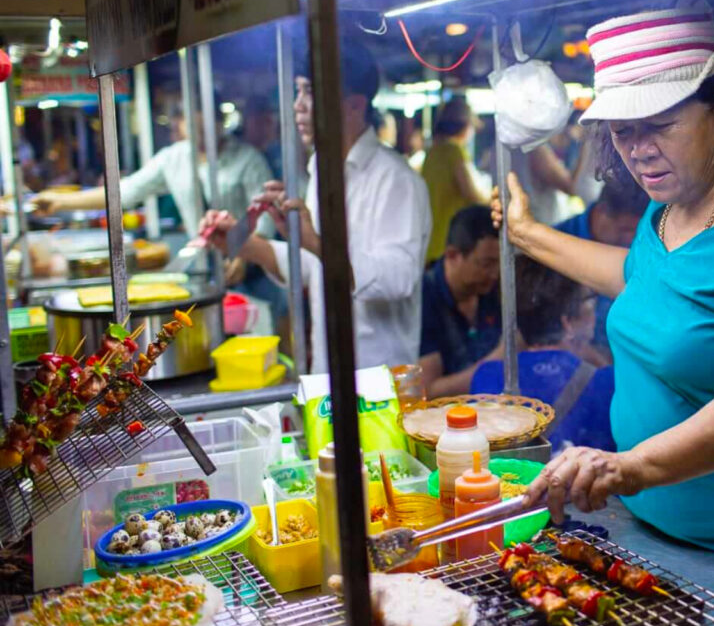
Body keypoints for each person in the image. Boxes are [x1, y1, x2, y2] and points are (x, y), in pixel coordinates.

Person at [496, 0, 714, 589]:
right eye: (623, 131)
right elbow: (647, 283)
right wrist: (527, 235)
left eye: (660, 125)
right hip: (655, 535)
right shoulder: (666, 208)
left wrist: (633, 467)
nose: (639, 149)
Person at [199, 38, 431, 371]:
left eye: (309, 92)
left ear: (354, 105)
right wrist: (241, 242)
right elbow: (312, 268)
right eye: (298, 91)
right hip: (328, 370)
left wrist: (315, 242)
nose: (298, 105)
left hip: (380, 378)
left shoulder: (396, 179)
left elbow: (398, 279)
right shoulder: (322, 170)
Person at [35, 100, 274, 239]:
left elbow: (265, 216)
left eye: (205, 126)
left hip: (253, 264)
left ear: (219, 122)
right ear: (181, 125)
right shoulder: (173, 158)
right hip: (204, 258)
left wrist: (248, 252)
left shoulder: (248, 160)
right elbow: (126, 192)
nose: (200, 134)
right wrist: (61, 202)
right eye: (192, 125)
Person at [472, 256, 615, 453]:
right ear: (567, 322)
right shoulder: (607, 382)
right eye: (590, 300)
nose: (595, 311)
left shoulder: (487, 375)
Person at [555, 176, 649, 361]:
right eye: (624, 229)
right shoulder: (555, 248)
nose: (631, 238)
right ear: (600, 212)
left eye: (636, 231)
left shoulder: (644, 246)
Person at [419, 206, 502, 398]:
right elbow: (428, 392)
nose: (495, 273)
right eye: (486, 264)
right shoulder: (424, 298)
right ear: (452, 255)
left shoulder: (490, 289)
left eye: (499, 263)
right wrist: (499, 360)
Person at [421, 98, 488, 263]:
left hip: (430, 242)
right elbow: (471, 194)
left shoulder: (431, 152)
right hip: (449, 242)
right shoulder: (454, 152)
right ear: (465, 126)